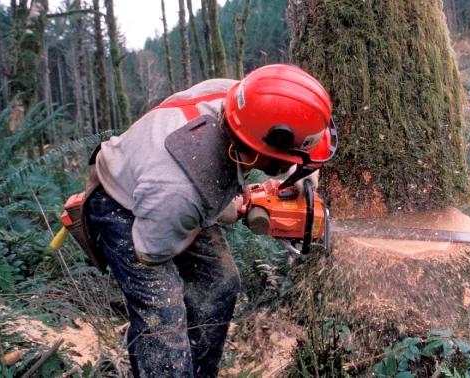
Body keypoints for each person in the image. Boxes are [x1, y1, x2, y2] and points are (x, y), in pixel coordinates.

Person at [85, 64, 336, 377]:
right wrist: (219, 209)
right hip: (123, 205)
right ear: (259, 151)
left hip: (174, 187)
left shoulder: (245, 99)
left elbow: (280, 115)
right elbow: (152, 251)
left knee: (221, 282)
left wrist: (300, 171)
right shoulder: (180, 192)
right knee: (163, 311)